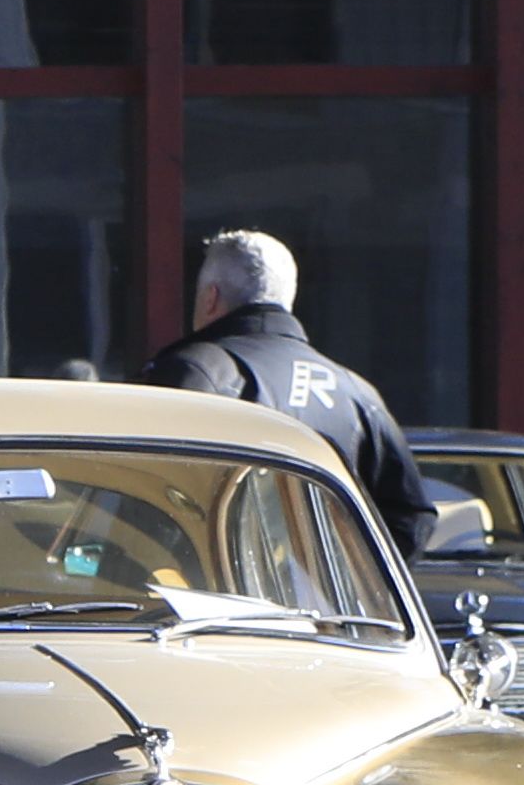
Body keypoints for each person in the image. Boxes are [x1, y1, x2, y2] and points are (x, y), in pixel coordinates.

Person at [139, 229, 437, 555]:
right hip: (319, 603)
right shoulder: (357, 394)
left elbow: (145, 497)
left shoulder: (195, 372)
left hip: (211, 598)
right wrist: (349, 588)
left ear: (210, 297)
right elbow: (411, 518)